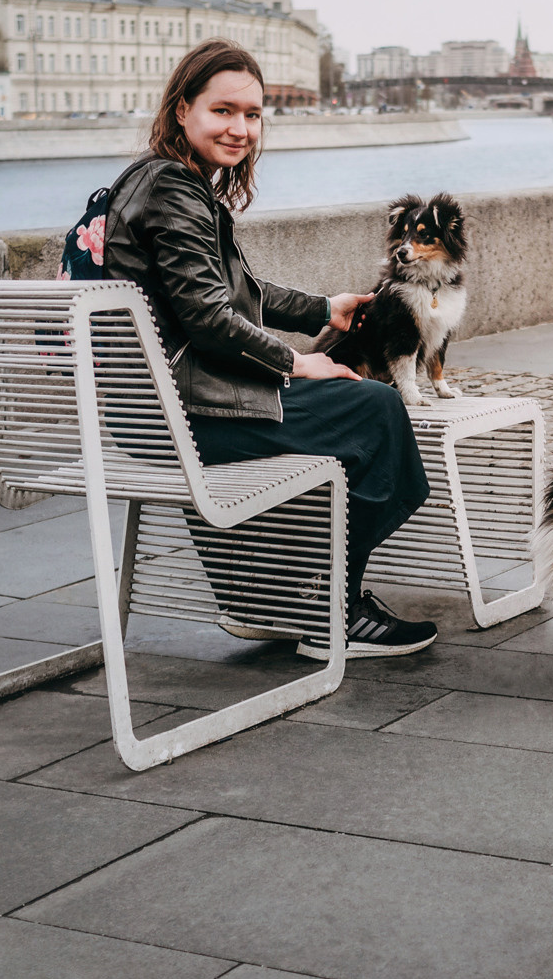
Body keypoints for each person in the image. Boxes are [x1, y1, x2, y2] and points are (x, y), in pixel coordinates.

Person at [100, 39, 438, 658]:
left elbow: (232, 292)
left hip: (144, 408)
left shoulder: (152, 179)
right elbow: (207, 316)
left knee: (350, 407)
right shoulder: (176, 192)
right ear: (183, 110)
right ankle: (328, 607)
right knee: (374, 410)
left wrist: (319, 311)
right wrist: (296, 360)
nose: (241, 129)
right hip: (178, 419)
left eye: (253, 115)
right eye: (223, 111)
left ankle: (287, 592)